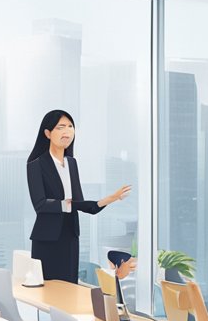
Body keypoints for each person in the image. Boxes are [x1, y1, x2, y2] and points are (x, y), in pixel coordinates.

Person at [26, 110, 130, 283]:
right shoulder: (36, 165)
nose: (67, 132)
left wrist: (111, 198)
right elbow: (40, 205)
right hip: (47, 239)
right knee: (48, 293)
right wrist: (69, 204)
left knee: (69, 289)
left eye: (70, 127)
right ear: (48, 133)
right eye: (61, 127)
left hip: (70, 236)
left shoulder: (72, 164)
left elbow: (80, 204)